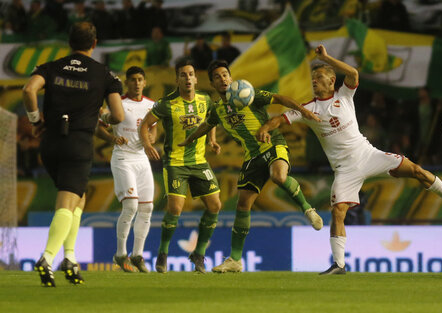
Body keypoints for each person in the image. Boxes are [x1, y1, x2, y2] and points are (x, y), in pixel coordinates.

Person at [257, 44, 442, 275]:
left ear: (331, 81)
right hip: (345, 169)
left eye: (319, 77)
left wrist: (327, 57)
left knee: (416, 170)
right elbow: (279, 119)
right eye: (313, 78)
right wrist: (267, 128)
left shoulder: (344, 95)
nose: (314, 81)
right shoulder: (308, 109)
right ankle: (339, 265)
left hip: (368, 155)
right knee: (338, 212)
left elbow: (353, 74)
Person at [179, 59, 324, 273]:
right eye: (218, 77)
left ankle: (307, 209)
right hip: (252, 157)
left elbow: (279, 98)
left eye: (225, 75)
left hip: (273, 144)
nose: (223, 79)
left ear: (231, 77)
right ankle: (235, 260)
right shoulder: (218, 109)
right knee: (243, 205)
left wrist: (304, 111)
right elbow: (206, 126)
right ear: (212, 83)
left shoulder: (248, 92)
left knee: (278, 176)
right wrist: (190, 140)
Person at [22, 21, 124, 287]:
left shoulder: (52, 67)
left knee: (79, 199)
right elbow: (118, 115)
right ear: (95, 43)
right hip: (77, 144)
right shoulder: (104, 74)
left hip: (50, 144)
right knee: (67, 202)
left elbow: (28, 90)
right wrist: (100, 114)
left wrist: (35, 121)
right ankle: (47, 257)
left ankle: (69, 258)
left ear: (69, 43)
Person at [139, 57, 222, 274]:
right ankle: (163, 253)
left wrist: (212, 140)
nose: (187, 78)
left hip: (199, 161)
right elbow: (146, 124)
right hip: (175, 162)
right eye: (183, 75)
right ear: (177, 79)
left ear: (196, 79)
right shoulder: (166, 103)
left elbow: (211, 120)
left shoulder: (205, 100)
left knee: (215, 205)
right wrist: (148, 144)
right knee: (175, 209)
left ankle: (199, 254)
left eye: (191, 74)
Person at [95, 66, 156, 273]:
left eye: (140, 79)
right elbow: (98, 128)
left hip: (141, 159)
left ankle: (138, 255)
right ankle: (120, 254)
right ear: (126, 83)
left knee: (147, 208)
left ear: (144, 82)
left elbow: (152, 127)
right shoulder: (117, 104)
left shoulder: (151, 105)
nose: (137, 83)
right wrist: (113, 138)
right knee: (131, 206)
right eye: (132, 80)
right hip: (122, 158)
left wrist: (150, 140)